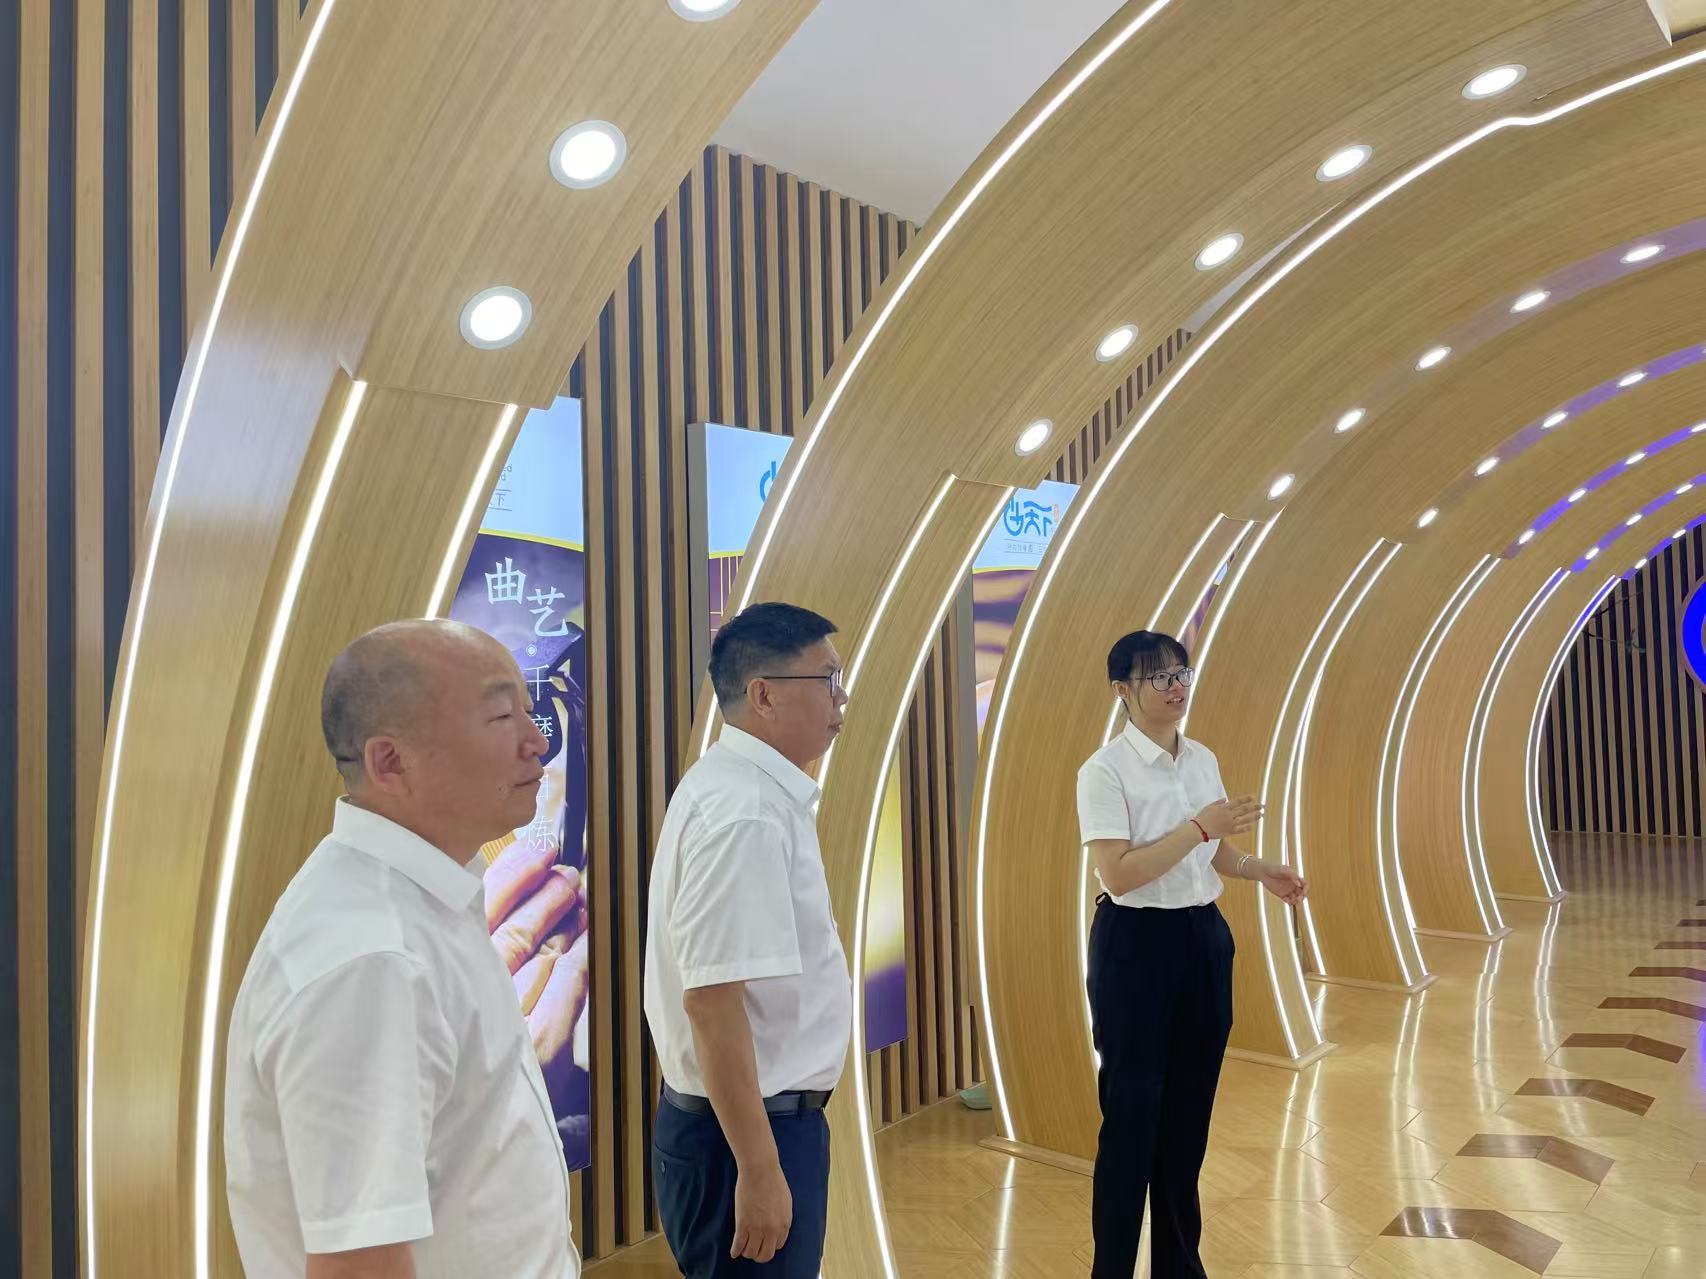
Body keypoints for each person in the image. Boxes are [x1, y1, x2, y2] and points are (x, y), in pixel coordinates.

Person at [224, 619, 584, 1279]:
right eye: (502, 716)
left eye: (528, 711)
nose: (536, 741)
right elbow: (357, 1264)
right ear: (390, 762)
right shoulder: (370, 961)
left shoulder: (431, 898)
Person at [1077, 630, 1307, 1279]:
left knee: (1187, 1120)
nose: (1177, 687)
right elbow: (1120, 873)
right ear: (1122, 690)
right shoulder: (1104, 771)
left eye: (1182, 673)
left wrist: (1259, 868)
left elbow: (1213, 852)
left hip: (1202, 939)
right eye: (1160, 677)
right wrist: (1200, 826)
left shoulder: (1201, 757)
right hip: (1134, 946)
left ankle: (1179, 1266)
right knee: (1131, 1119)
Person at [643, 602, 852, 1278]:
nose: (841, 697)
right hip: (745, 1134)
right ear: (763, 694)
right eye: (827, 678)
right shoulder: (747, 813)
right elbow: (712, 1002)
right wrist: (760, 1170)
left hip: (744, 1125)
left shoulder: (741, 788)